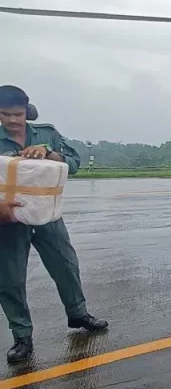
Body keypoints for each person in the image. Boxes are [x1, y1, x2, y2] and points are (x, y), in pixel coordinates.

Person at [0, 85, 108, 363]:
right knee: (10, 279)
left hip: (47, 215)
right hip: (9, 220)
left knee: (66, 265)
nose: (12, 120)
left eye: (17, 114)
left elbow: (74, 162)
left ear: (27, 112)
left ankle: (78, 314)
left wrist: (48, 153)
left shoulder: (46, 134)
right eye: (5, 115)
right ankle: (22, 336)